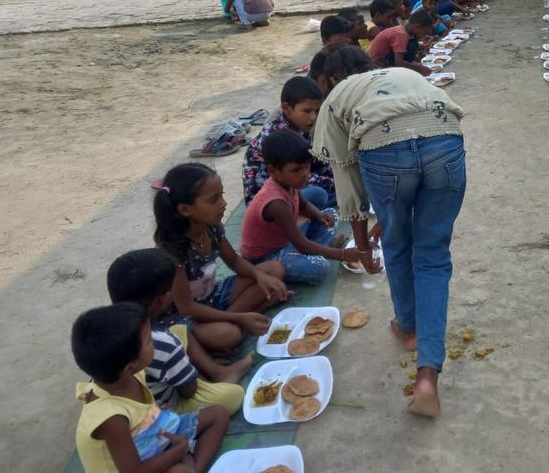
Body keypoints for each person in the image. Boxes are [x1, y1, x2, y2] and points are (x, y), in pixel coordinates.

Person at [313, 46, 466, 418]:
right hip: (445, 141)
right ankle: (427, 376)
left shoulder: (337, 96)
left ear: (333, 78)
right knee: (432, 257)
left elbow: (347, 183)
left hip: (384, 153)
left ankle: (409, 328)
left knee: (397, 247)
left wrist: (364, 248)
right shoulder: (406, 76)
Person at [72, 302, 229, 473]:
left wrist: (157, 412)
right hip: (136, 465)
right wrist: (179, 451)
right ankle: (187, 465)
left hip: (152, 438)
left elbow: (140, 412)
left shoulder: (128, 376)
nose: (154, 341)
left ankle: (194, 468)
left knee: (218, 415)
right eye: (149, 341)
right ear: (128, 367)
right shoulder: (111, 418)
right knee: (180, 470)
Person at [153, 163, 289, 351]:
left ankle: (242, 320)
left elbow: (234, 261)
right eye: (214, 199)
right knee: (227, 335)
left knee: (274, 269)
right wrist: (237, 318)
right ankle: (243, 320)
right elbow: (187, 308)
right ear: (185, 209)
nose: (223, 204)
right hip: (187, 317)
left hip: (212, 297)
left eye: (222, 195)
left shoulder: (211, 227)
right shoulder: (173, 250)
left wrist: (260, 276)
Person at [106, 249, 247, 415]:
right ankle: (212, 376)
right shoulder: (160, 342)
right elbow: (189, 392)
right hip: (166, 407)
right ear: (162, 299)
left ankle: (215, 372)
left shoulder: (112, 326)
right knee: (233, 396)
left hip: (141, 389)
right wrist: (188, 373)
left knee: (179, 330)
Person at [241, 130, 369, 284]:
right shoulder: (276, 204)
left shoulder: (288, 184)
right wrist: (342, 254)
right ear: (273, 171)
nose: (305, 174)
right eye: (296, 170)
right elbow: (301, 244)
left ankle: (318, 250)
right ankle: (319, 252)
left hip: (287, 242)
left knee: (330, 214)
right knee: (320, 268)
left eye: (307, 167)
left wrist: (319, 216)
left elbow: (304, 205)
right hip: (265, 258)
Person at [243, 76, 334, 208]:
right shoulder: (279, 135)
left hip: (290, 185)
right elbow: (298, 174)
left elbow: (316, 161)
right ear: (287, 108)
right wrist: (336, 183)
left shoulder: (300, 128)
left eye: (317, 111)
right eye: (307, 111)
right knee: (320, 195)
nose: (313, 117)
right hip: (266, 201)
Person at [367, 9, 435, 75]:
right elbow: (399, 63)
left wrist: (420, 48)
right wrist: (420, 69)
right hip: (377, 67)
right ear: (417, 27)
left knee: (413, 46)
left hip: (385, 60)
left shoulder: (403, 30)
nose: (425, 35)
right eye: (425, 32)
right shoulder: (401, 34)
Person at [307, 15, 357, 93]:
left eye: (349, 37)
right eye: (343, 38)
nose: (349, 41)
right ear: (325, 40)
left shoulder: (351, 54)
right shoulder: (321, 59)